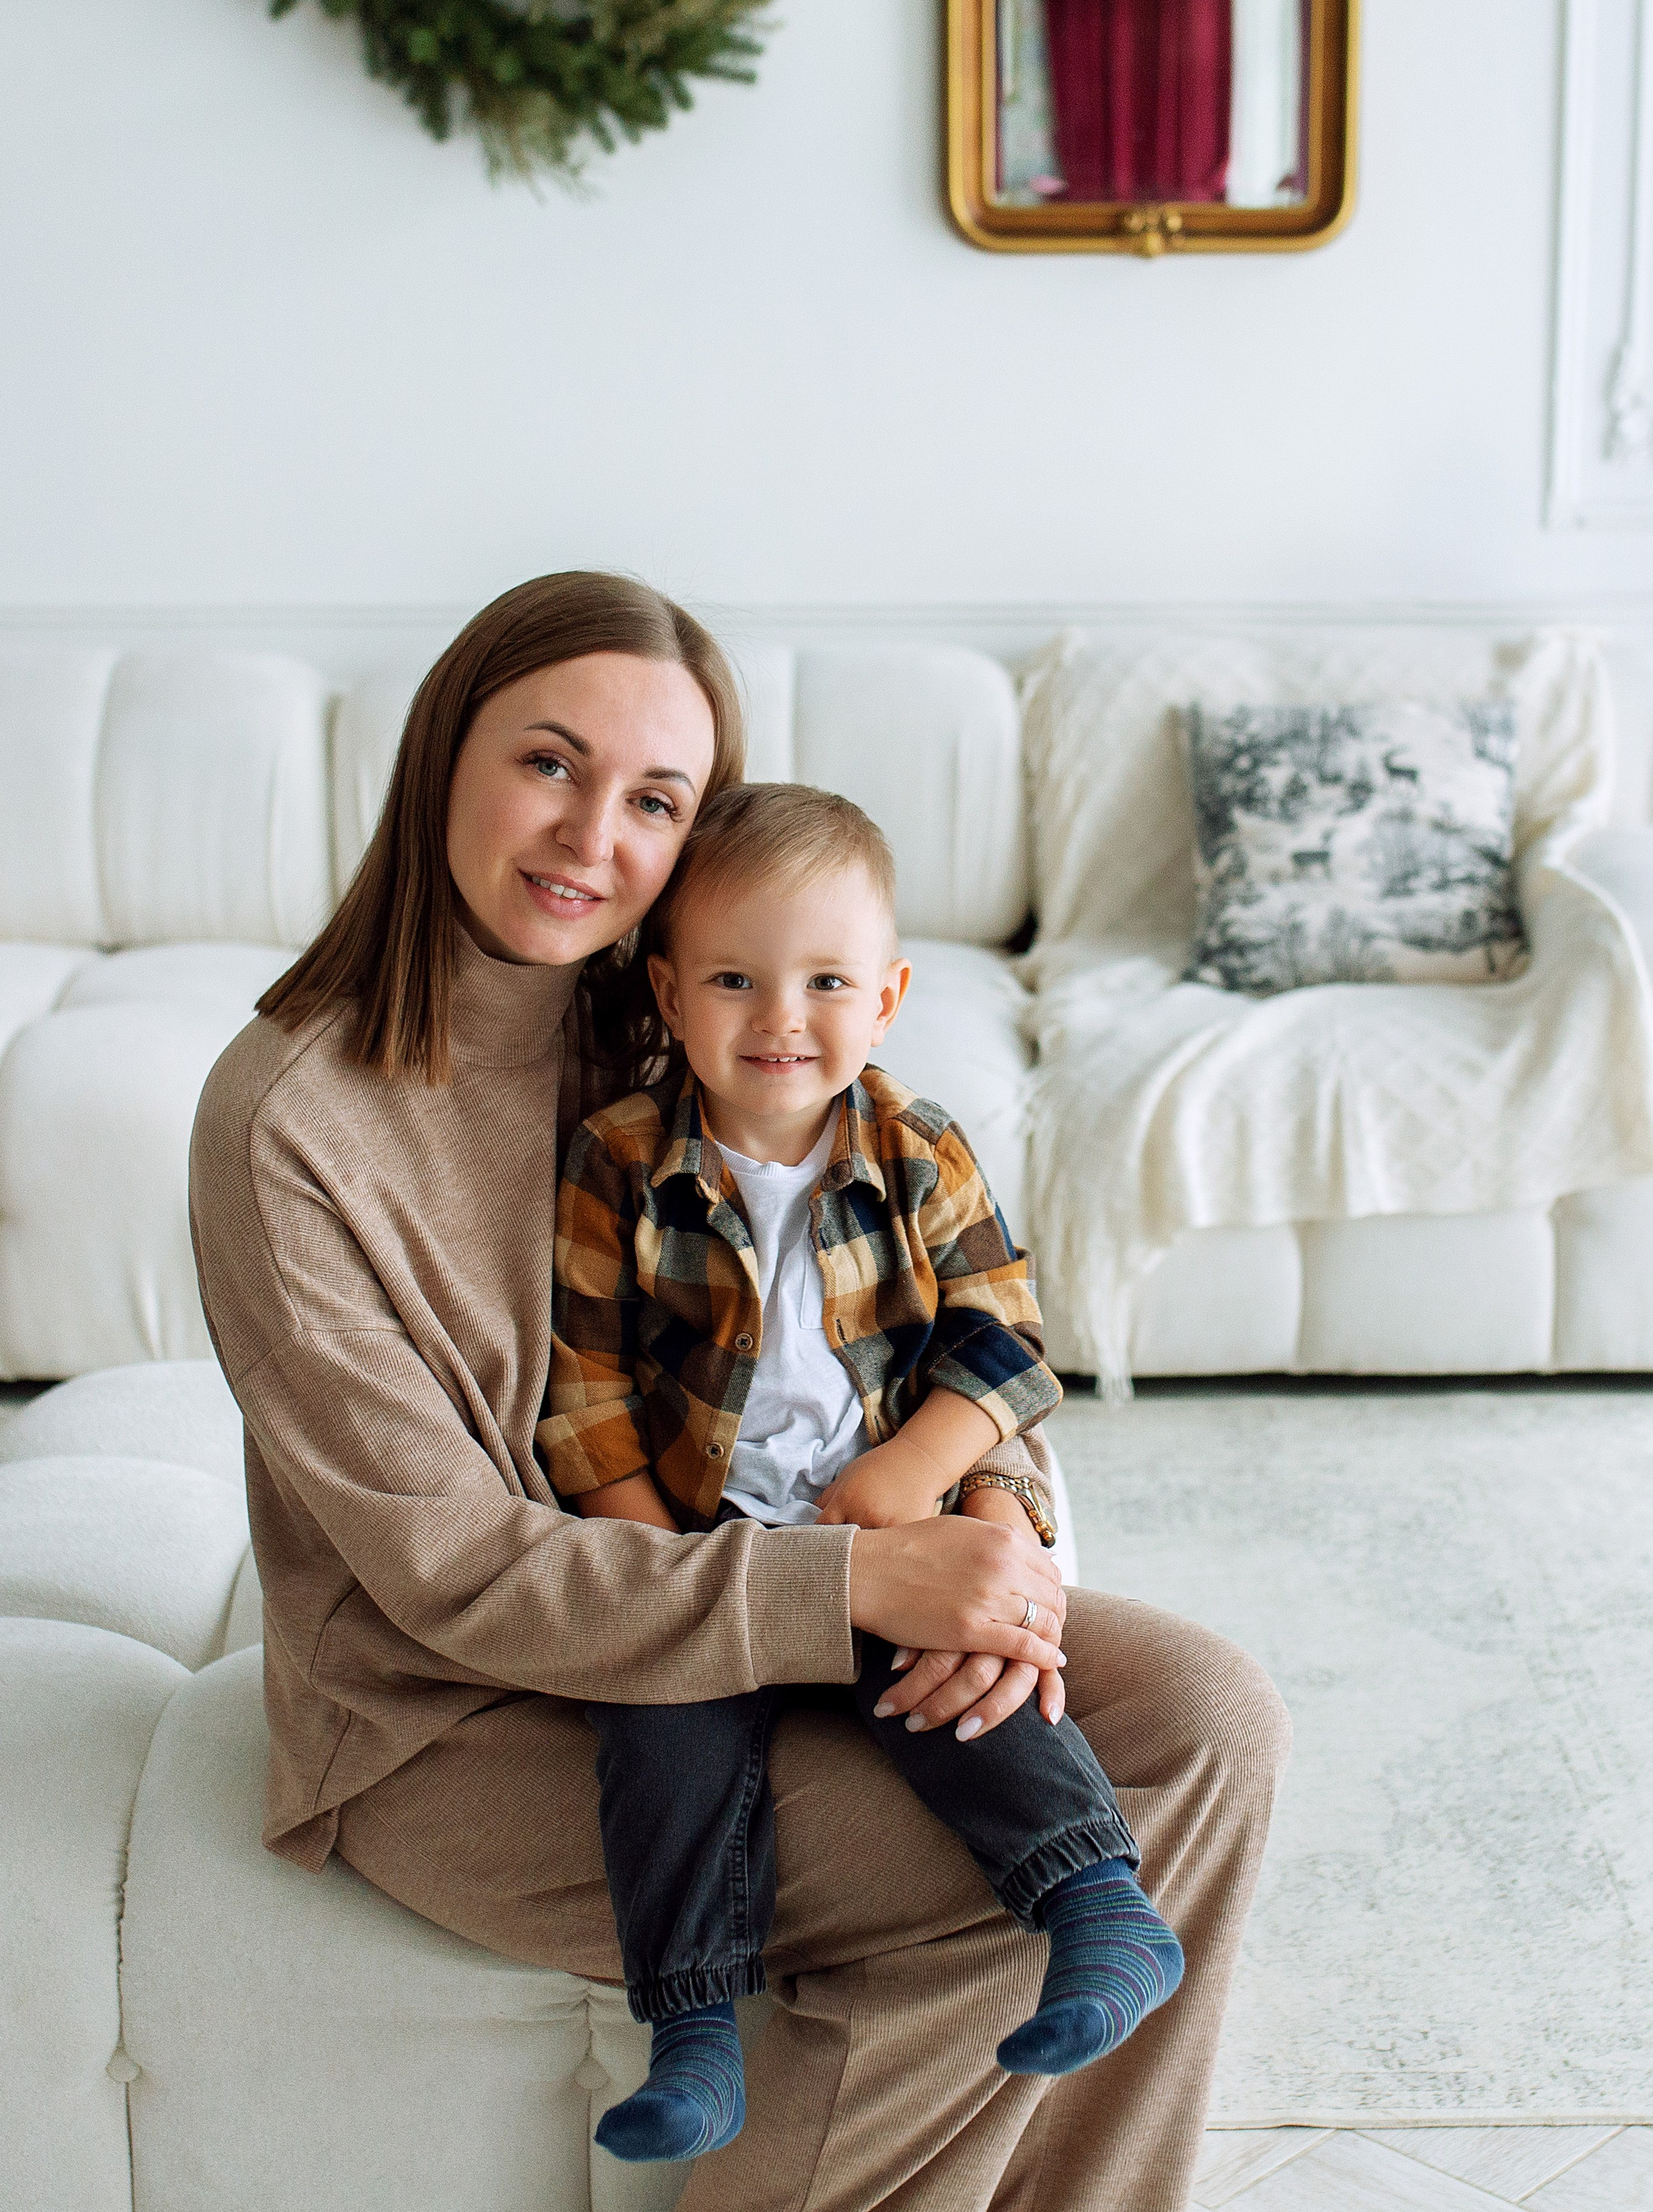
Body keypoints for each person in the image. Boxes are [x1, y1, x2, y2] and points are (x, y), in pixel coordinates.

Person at [188, 569, 1291, 2212]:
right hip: (464, 1716)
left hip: (755, 1619)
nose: (588, 839)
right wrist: (851, 1578)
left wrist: (983, 1529)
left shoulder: (682, 1025)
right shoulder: (289, 1123)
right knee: (1029, 1870)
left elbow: (933, 1309)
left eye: (653, 800)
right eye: (546, 764)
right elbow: (454, 1575)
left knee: (1211, 1718)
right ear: (440, 757)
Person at [541, 781, 1187, 2164]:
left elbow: (1005, 1338)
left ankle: (1096, 1911)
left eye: (825, 982)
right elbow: (586, 1392)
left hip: (880, 1532)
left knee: (970, 1693)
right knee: (660, 1745)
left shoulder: (915, 1151)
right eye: (733, 979)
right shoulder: (619, 1162)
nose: (782, 1018)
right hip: (705, 1555)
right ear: (665, 991)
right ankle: (698, 2036)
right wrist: (659, 1564)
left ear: (886, 995)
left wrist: (918, 1467)